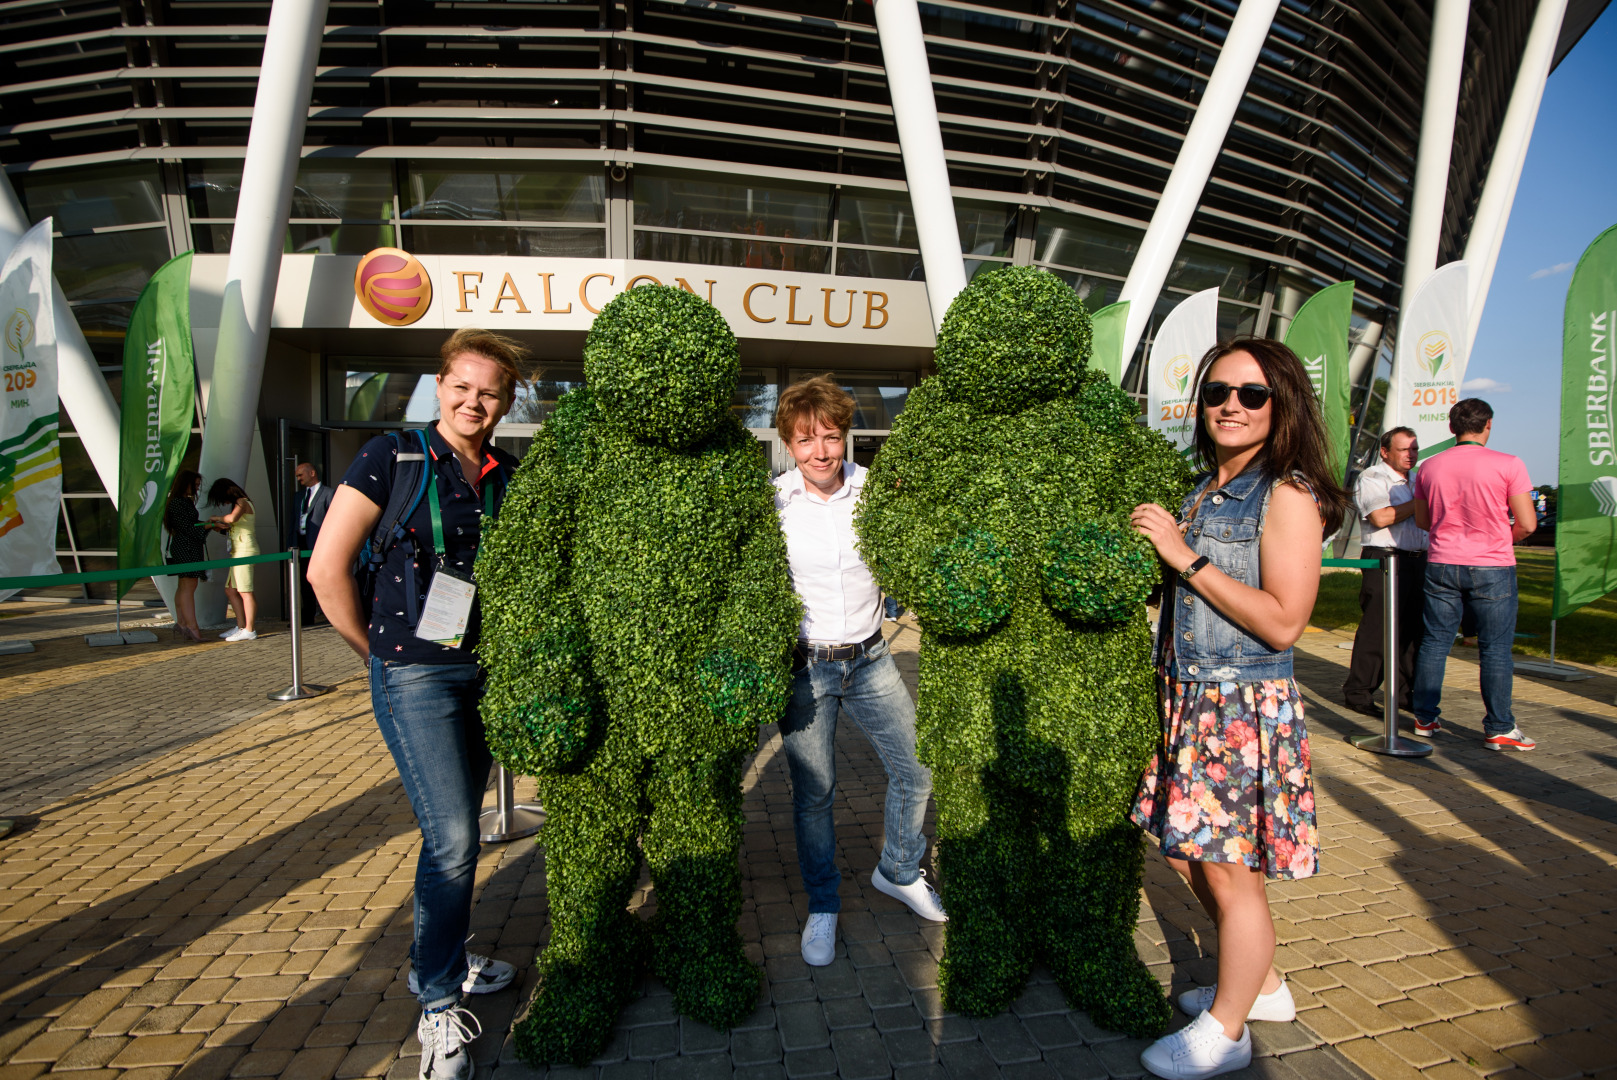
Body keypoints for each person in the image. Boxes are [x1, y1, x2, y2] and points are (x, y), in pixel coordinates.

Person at [308, 328, 526, 1080]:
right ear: (440, 385)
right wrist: (377, 653)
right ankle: (436, 1000)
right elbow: (324, 570)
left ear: (505, 401)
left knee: (453, 836)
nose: (473, 401)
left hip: (481, 673)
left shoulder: (504, 471)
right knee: (455, 838)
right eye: (462, 386)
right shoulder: (392, 456)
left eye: (488, 391)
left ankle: (448, 959)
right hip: (417, 675)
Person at [1130, 338, 1349, 1080]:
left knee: (1231, 874)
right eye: (1218, 391)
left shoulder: (1286, 493)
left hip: (1237, 704)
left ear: (1280, 405)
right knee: (1188, 852)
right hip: (1187, 696)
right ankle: (1263, 987)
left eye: (1251, 395)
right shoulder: (1202, 489)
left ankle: (1226, 1033)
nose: (1230, 405)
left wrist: (1181, 556)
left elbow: (1285, 620)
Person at [773, 375, 945, 969]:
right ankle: (823, 904)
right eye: (805, 440)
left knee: (917, 767)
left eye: (831, 436)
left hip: (871, 659)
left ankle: (897, 869)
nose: (821, 451)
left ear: (846, 436)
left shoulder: (875, 492)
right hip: (807, 668)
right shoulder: (775, 505)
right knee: (814, 795)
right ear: (789, 446)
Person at [1410, 399, 1537, 750]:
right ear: (1489, 425)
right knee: (1495, 650)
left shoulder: (1429, 467)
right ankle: (1499, 726)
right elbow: (1527, 524)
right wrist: (1500, 539)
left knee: (1435, 642)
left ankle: (1424, 717)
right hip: (1493, 564)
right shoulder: (1509, 464)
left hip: (1442, 562)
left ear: (1452, 428)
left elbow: (1423, 521)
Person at [1341, 427, 1427, 722]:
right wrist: (1419, 505)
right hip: (1385, 559)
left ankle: (1405, 694)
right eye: (1404, 450)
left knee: (1413, 630)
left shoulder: (1419, 480)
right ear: (1386, 451)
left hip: (1418, 560)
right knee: (1378, 628)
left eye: (1414, 450)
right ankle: (1359, 692)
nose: (1410, 455)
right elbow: (1381, 517)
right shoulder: (1372, 477)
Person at [207, 478, 260, 642]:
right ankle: (241, 626)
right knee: (231, 590)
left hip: (244, 551)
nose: (223, 502)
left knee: (245, 591)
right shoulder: (240, 503)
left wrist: (215, 518)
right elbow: (232, 527)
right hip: (237, 552)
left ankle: (249, 629)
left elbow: (231, 519)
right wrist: (218, 527)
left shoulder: (242, 501)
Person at [163, 469, 207, 642]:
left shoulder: (180, 502)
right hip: (186, 547)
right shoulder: (178, 503)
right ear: (185, 483)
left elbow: (190, 525)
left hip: (185, 546)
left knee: (184, 586)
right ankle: (191, 627)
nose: (196, 489)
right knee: (188, 586)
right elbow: (188, 528)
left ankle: (183, 623)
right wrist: (208, 526)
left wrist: (207, 525)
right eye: (194, 485)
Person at [294, 462, 334, 624]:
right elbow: (293, 522)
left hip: (321, 545)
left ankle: (331, 614)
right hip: (302, 545)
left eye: (300, 475)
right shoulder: (298, 496)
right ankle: (308, 616)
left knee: (325, 580)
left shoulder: (328, 493)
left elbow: (333, 520)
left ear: (312, 473)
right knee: (304, 581)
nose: (298, 479)